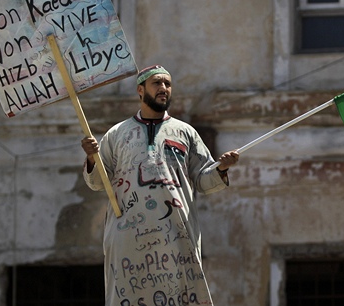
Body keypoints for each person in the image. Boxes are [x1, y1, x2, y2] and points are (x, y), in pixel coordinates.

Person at [81, 65, 239, 305]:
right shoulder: (117, 134)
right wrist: (92, 158)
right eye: (157, 83)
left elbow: (203, 181)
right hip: (128, 234)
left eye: (167, 83)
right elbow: (97, 182)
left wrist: (222, 169)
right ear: (140, 90)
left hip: (176, 232)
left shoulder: (185, 132)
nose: (164, 88)